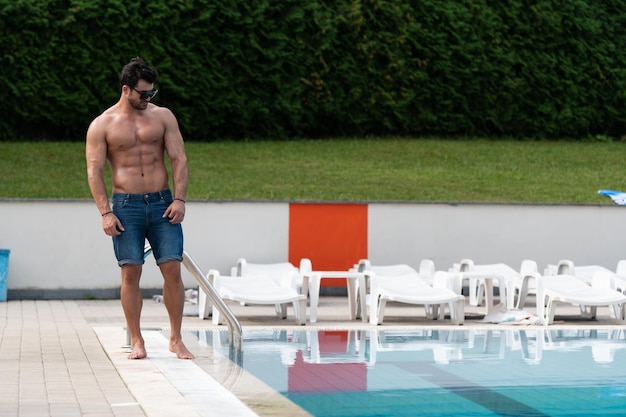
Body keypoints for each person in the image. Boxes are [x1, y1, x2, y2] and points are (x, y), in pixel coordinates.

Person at [86, 57, 194, 360]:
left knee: (172, 269)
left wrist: (180, 199)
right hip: (125, 207)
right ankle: (137, 340)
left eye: (151, 93)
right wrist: (105, 212)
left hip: (162, 203)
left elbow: (179, 159)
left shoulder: (163, 117)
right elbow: (94, 170)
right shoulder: (102, 124)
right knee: (130, 273)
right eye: (143, 94)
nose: (148, 99)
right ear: (126, 89)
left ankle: (175, 338)